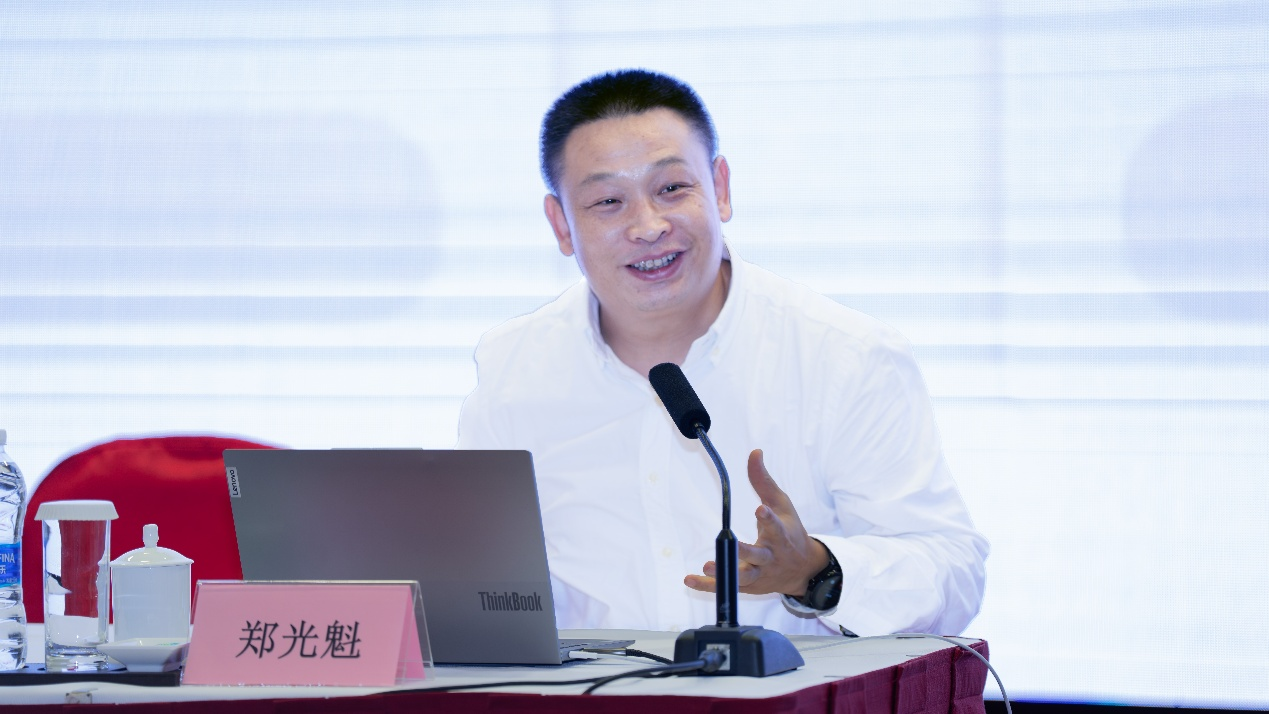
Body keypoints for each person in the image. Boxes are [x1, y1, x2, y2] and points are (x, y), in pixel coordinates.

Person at [457, 69, 988, 637]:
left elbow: (952, 571)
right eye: (608, 201)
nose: (648, 226)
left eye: (671, 189)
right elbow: (485, 584)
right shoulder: (513, 371)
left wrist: (815, 572)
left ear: (721, 188)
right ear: (561, 224)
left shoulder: (845, 357)